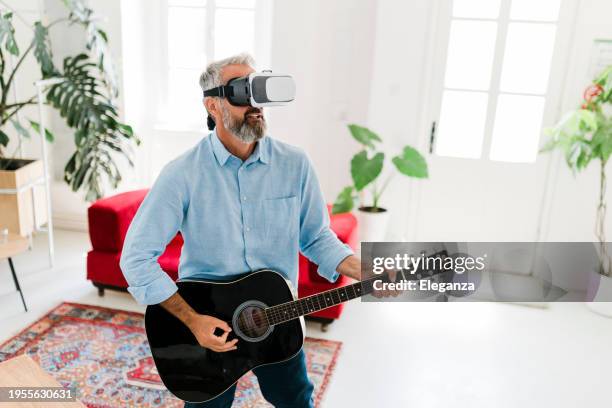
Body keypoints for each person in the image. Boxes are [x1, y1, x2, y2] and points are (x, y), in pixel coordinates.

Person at [119, 53, 362, 408]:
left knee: (297, 401)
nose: (255, 105)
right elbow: (136, 258)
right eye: (240, 93)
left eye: (259, 92)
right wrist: (193, 321)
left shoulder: (295, 164)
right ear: (213, 105)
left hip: (279, 317)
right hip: (207, 327)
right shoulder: (182, 174)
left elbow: (316, 237)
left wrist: (366, 269)